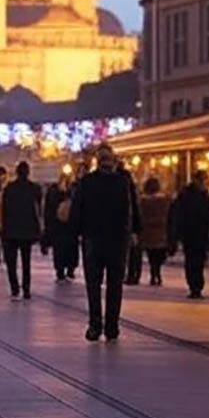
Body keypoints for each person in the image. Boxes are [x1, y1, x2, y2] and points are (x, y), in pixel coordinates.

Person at [67, 144, 140, 342]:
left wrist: (74, 234)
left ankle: (95, 325)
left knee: (94, 284)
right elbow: (133, 208)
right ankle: (111, 326)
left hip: (94, 238)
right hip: (117, 239)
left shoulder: (87, 182)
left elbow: (76, 210)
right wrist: (134, 232)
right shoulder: (123, 182)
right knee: (115, 285)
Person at [0, 161, 42, 299]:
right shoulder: (34, 188)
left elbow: (4, 210)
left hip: (11, 230)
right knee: (26, 261)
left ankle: (14, 289)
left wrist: (3, 228)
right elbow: (37, 211)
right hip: (27, 231)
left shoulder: (9, 189)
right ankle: (26, 288)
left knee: (11, 263)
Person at [168, 170, 209, 298]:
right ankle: (196, 286)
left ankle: (195, 285)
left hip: (194, 233)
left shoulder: (186, 195)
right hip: (194, 233)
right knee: (195, 260)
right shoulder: (200, 196)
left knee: (194, 260)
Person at [41, 170, 78, 281]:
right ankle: (66, 270)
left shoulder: (56, 191)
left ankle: (64, 270)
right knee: (66, 248)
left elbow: (48, 211)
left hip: (63, 226)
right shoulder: (74, 191)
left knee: (63, 248)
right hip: (66, 226)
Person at [137, 177, 172, 286]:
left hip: (148, 231)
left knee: (151, 254)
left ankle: (154, 272)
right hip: (161, 231)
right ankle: (157, 272)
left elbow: (140, 215)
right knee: (159, 254)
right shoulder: (165, 200)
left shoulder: (143, 201)